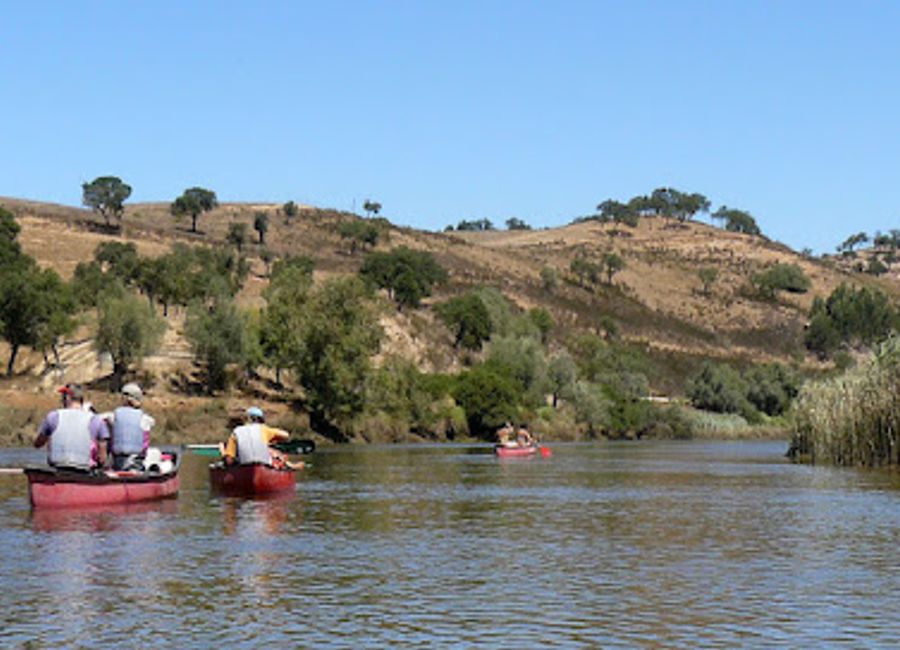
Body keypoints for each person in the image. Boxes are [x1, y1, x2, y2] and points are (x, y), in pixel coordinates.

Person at [33, 384, 109, 470]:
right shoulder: (96, 420)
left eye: (63, 397)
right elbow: (102, 458)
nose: (61, 400)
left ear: (68, 398)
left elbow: (37, 444)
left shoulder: (53, 417)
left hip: (59, 467)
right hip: (85, 470)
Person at [221, 406, 304, 470]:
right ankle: (290, 465)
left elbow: (229, 461)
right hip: (264, 465)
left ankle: (290, 465)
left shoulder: (235, 433)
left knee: (270, 451)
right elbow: (286, 435)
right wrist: (272, 439)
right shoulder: (264, 429)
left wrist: (223, 452)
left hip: (244, 466)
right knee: (272, 451)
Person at [103, 382, 155, 471]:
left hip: (117, 463)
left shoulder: (112, 416)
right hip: (136, 463)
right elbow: (152, 423)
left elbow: (102, 418)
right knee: (155, 453)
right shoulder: (145, 419)